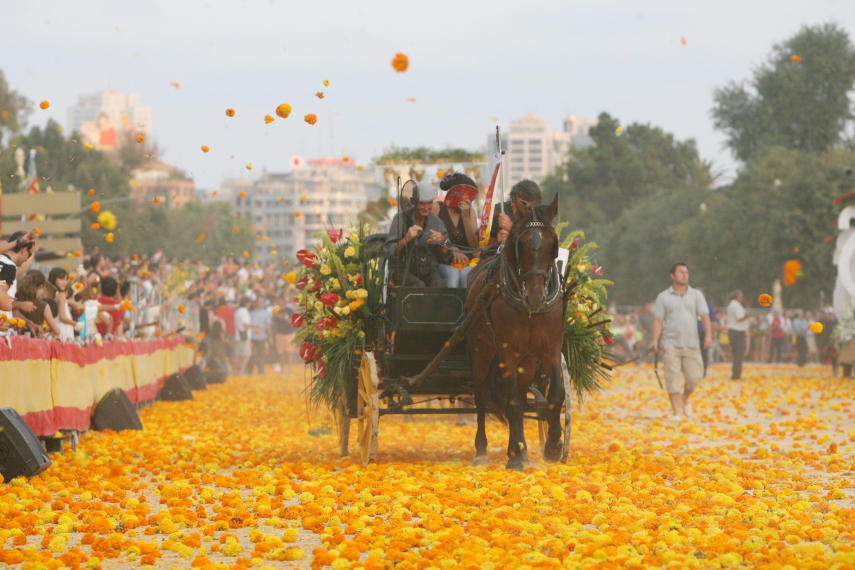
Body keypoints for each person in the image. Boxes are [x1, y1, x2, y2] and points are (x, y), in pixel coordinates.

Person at [652, 262, 712, 421]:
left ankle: (685, 399)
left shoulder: (697, 295)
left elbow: (705, 317)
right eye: (680, 272)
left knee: (694, 378)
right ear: (672, 275)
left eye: (686, 272)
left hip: (692, 343)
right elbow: (658, 320)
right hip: (670, 343)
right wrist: (655, 340)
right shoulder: (663, 297)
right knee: (672, 379)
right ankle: (677, 412)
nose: (684, 274)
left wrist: (708, 336)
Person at [384, 183, 449, 287]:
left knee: (439, 284)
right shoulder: (400, 219)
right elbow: (389, 251)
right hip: (403, 271)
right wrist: (405, 239)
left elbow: (447, 254)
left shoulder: (436, 221)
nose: (426, 207)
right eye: (422, 203)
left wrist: (442, 242)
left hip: (428, 270)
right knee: (418, 286)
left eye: (429, 203)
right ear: (413, 202)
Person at [435, 173, 479, 288]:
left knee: (466, 274)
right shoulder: (437, 208)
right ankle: (450, 306)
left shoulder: (471, 212)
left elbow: (473, 245)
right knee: (453, 275)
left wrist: (465, 217)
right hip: (442, 260)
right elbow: (431, 236)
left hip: (466, 262)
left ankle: (466, 306)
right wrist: (451, 248)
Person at [726, 290, 750, 380]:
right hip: (737, 331)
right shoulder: (736, 305)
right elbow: (739, 318)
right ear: (738, 297)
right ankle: (736, 375)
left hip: (733, 331)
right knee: (739, 354)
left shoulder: (731, 305)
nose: (742, 298)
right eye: (741, 296)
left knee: (736, 354)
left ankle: (735, 373)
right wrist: (747, 316)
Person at [233, 297, 252, 374]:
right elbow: (245, 324)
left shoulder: (237, 311)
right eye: (249, 303)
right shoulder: (244, 311)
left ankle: (236, 371)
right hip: (244, 336)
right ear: (246, 303)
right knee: (246, 355)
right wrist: (255, 326)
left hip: (238, 335)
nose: (250, 304)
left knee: (239, 355)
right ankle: (241, 371)